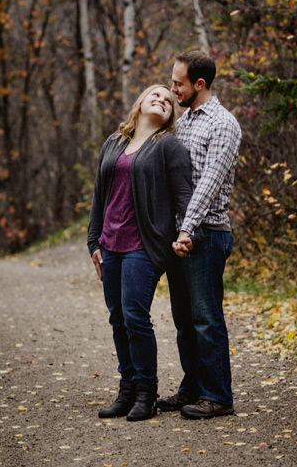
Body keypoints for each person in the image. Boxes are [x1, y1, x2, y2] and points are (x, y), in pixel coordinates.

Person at [87, 85, 194, 422]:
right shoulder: (113, 142)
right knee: (117, 318)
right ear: (140, 103)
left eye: (167, 99)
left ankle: (146, 393)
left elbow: (184, 197)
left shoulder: (168, 146)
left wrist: (186, 236)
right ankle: (127, 390)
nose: (162, 99)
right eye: (155, 95)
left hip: (143, 246)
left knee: (135, 316)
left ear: (170, 115)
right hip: (110, 244)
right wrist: (94, 242)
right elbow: (98, 197)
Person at [159, 50, 243, 420]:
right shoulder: (184, 120)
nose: (172, 88)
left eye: (178, 83)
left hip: (205, 235)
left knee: (206, 318)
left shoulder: (222, 124)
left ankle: (218, 396)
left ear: (200, 84)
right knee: (183, 318)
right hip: (180, 235)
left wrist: (187, 229)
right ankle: (191, 388)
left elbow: (206, 186)